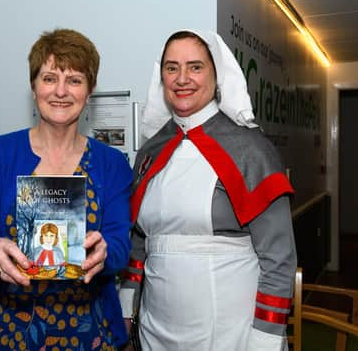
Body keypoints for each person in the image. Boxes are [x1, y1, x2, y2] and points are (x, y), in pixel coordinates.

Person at [119, 30, 297, 350]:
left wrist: (266, 337)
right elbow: (139, 242)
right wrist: (127, 302)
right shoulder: (150, 151)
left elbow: (279, 258)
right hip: (155, 327)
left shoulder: (250, 149)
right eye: (172, 68)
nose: (182, 78)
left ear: (217, 77)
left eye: (195, 67)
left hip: (233, 331)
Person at [0, 29, 132, 350]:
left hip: (90, 330)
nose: (61, 92)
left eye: (75, 80)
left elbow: (121, 242)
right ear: (34, 86)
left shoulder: (112, 163)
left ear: (89, 90)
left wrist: (105, 252)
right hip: (9, 327)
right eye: (50, 78)